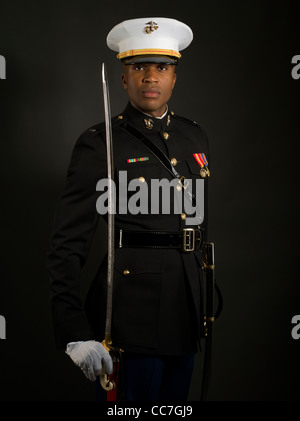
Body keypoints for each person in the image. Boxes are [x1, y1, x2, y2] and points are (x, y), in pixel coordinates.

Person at [46, 17, 211, 401]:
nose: (151, 77)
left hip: (185, 308)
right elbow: (66, 245)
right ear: (124, 79)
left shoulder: (194, 135)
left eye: (162, 67)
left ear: (174, 77)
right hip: (130, 314)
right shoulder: (99, 143)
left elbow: (197, 221)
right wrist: (73, 331)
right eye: (139, 67)